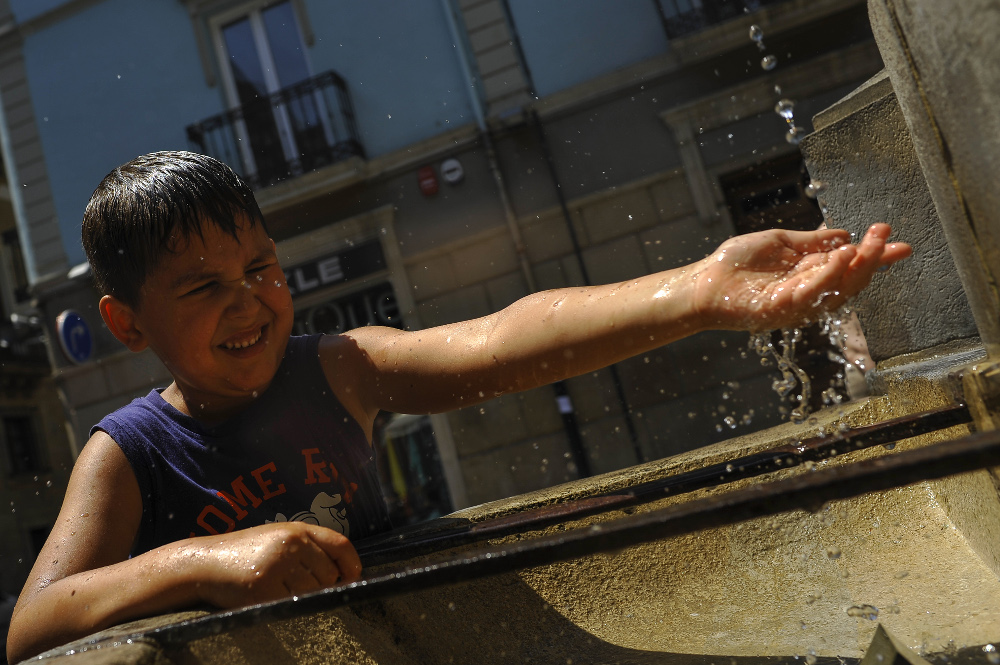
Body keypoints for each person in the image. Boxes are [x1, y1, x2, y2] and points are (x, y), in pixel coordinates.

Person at [5, 151, 911, 662]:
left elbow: (507, 336)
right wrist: (208, 559)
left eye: (260, 268)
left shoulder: (339, 369)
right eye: (202, 287)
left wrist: (701, 288)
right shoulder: (128, 451)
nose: (248, 301)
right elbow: (31, 623)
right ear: (128, 321)